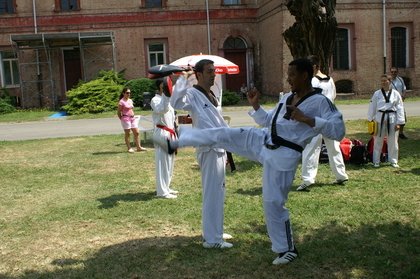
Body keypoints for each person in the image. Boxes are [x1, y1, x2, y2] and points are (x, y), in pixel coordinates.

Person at [159, 58, 345, 264]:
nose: (288, 79)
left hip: (284, 155)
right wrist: (256, 106)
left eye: (292, 75)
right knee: (224, 134)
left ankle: (286, 249)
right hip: (263, 140)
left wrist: (308, 119)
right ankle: (177, 139)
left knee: (272, 202)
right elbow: (268, 121)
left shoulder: (320, 102)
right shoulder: (286, 99)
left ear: (305, 76)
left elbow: (338, 130)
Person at [169, 59, 233, 249]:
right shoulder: (192, 94)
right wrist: (183, 79)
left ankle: (216, 231)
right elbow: (175, 102)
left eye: (214, 71)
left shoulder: (211, 93)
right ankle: (212, 240)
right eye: (210, 71)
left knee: (218, 193)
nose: (214, 74)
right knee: (212, 194)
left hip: (219, 147)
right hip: (208, 149)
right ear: (199, 74)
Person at [297, 55, 348, 191]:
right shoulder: (330, 80)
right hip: (328, 116)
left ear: (314, 67)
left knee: (311, 148)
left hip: (316, 118)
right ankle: (341, 175)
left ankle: (308, 179)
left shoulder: (312, 81)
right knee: (333, 147)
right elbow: (333, 96)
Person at [367, 74, 405, 168]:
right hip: (380, 118)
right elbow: (372, 107)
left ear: (390, 81)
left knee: (393, 141)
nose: (383, 83)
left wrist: (399, 123)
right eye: (382, 81)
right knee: (378, 140)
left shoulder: (396, 94)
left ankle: (393, 160)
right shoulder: (377, 94)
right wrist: (370, 119)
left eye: (385, 80)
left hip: (392, 118)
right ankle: (376, 161)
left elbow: (400, 108)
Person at [151, 78, 178, 199]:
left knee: (170, 162)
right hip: (162, 132)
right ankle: (161, 191)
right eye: (164, 84)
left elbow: (172, 118)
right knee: (163, 162)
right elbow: (162, 109)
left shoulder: (168, 99)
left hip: (170, 132)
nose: (167, 86)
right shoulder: (155, 100)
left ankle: (166, 187)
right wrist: (167, 95)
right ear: (160, 86)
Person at [117, 87, 147, 153]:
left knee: (136, 132)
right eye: (127, 93)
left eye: (130, 93)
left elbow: (131, 109)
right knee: (128, 134)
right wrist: (122, 119)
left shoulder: (130, 100)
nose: (129, 94)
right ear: (123, 93)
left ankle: (139, 147)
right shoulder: (121, 102)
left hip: (133, 118)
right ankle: (129, 148)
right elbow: (119, 112)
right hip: (126, 119)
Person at [389, 67, 408, 139]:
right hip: (392, 103)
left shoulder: (400, 79)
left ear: (397, 72)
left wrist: (403, 95)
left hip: (400, 102)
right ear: (390, 72)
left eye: (395, 72)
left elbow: (404, 88)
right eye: (392, 72)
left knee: (402, 118)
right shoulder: (389, 81)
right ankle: (393, 134)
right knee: (393, 119)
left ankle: (401, 133)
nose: (393, 73)